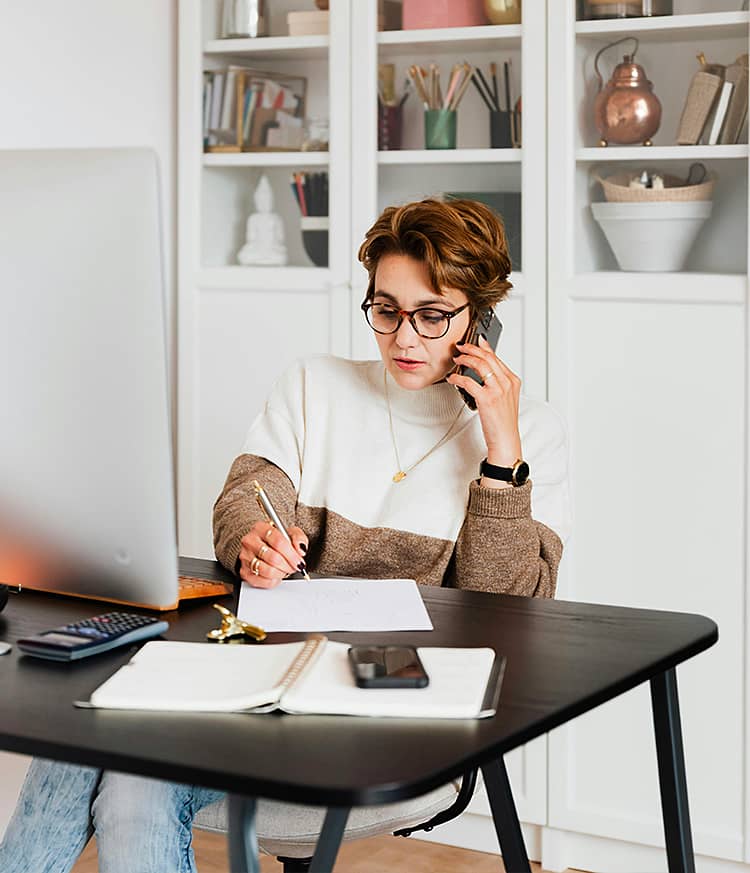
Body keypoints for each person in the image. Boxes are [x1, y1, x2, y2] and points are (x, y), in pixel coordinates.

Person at [0, 198, 571, 873]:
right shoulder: (315, 384)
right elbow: (246, 499)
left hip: (397, 716)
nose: (404, 339)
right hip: (261, 681)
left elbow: (505, 612)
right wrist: (252, 539)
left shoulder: (530, 433)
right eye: (385, 310)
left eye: (432, 315)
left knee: (120, 765)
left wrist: (500, 454)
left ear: (483, 317)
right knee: (102, 736)